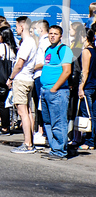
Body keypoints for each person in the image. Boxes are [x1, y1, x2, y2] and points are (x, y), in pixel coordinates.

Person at [35, 25, 72, 160]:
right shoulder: (48, 49)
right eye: (50, 33)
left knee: (58, 122)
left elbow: (67, 71)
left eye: (55, 34)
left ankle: (60, 151)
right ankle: (54, 148)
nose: (52, 36)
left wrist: (54, 88)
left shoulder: (64, 50)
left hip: (57, 92)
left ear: (60, 36)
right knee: (48, 122)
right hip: (45, 90)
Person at [6, 16, 38, 154]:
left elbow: (20, 63)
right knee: (28, 112)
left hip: (22, 78)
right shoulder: (31, 42)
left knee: (23, 112)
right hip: (28, 78)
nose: (16, 29)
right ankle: (30, 141)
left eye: (17, 26)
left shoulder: (27, 43)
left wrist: (11, 77)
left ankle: (28, 143)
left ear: (22, 26)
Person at [32, 19, 51, 145]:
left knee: (42, 105)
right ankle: (41, 130)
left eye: (36, 28)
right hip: (37, 75)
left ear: (41, 29)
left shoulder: (45, 42)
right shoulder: (41, 41)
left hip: (40, 75)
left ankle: (44, 132)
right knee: (39, 104)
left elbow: (46, 61)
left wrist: (33, 67)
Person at [77, 28, 96, 151]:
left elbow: (85, 70)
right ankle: (92, 140)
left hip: (88, 86)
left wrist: (80, 87)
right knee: (93, 115)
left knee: (87, 114)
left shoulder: (86, 51)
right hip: (94, 85)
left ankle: (89, 141)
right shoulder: (95, 51)